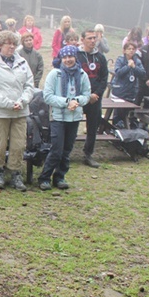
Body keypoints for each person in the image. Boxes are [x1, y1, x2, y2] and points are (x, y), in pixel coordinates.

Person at [0, 30, 35, 191]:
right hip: (0, 113)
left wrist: (22, 101)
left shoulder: (23, 63)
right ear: (0, 45)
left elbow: (29, 85)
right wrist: (8, 103)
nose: (11, 47)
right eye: (8, 44)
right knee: (0, 143)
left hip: (20, 112)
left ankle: (15, 173)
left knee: (19, 145)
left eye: (14, 44)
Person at [38, 45, 91, 190]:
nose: (68, 60)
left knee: (67, 150)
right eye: (65, 57)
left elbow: (87, 95)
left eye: (70, 57)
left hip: (74, 118)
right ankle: (44, 177)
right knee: (56, 149)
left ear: (75, 57)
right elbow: (47, 96)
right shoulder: (55, 74)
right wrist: (67, 102)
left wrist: (77, 102)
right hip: (58, 118)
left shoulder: (82, 75)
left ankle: (60, 177)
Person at [76, 29, 109, 168]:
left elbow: (104, 78)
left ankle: (88, 154)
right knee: (72, 124)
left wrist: (97, 94)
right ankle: (66, 151)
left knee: (92, 127)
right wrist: (84, 96)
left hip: (95, 98)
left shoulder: (100, 57)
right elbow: (74, 76)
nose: (92, 41)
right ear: (82, 39)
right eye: (89, 38)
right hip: (79, 97)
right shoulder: (76, 55)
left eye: (94, 38)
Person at [111, 42, 145, 128]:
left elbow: (143, 74)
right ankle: (116, 126)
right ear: (124, 50)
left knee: (128, 111)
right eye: (129, 49)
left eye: (133, 49)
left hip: (131, 91)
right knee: (118, 111)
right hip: (120, 90)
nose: (131, 51)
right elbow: (118, 73)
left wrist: (134, 67)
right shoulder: (120, 60)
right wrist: (128, 66)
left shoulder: (137, 61)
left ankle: (127, 126)